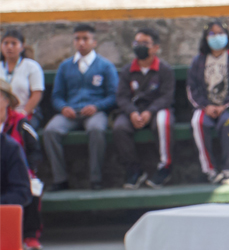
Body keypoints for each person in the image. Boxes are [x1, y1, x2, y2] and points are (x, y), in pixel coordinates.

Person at [42, 23, 118, 192]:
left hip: (95, 112)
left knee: (96, 130)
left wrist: (97, 106)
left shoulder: (105, 66)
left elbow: (113, 96)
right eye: (77, 39)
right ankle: (60, 179)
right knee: (50, 131)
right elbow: (57, 95)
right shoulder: (65, 66)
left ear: (94, 42)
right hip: (70, 112)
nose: (81, 42)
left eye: (85, 39)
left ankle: (95, 178)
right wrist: (63, 108)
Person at [188, 20, 229, 185]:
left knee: (228, 122)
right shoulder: (198, 61)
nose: (217, 37)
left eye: (220, 33)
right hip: (206, 106)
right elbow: (192, 89)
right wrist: (205, 106)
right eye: (212, 34)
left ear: (227, 35)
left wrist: (225, 105)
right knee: (198, 122)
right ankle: (210, 170)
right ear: (206, 38)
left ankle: (228, 170)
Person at [112, 28, 176, 190]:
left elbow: (167, 96)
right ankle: (134, 169)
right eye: (137, 43)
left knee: (164, 122)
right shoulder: (128, 70)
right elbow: (122, 96)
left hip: (157, 110)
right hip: (133, 111)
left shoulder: (164, 69)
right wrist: (132, 112)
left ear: (155, 47)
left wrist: (150, 111)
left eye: (145, 43)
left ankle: (165, 167)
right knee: (119, 127)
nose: (139, 46)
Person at [0, 79, 43, 250]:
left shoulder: (20, 122)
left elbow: (35, 150)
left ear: (6, 100)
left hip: (20, 169)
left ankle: (30, 235)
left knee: (31, 187)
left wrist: (31, 169)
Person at [1, 29, 44, 122]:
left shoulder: (32, 66)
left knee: (20, 128)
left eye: (14, 43)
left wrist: (22, 114)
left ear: (22, 47)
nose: (9, 47)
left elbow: (37, 94)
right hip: (2, 114)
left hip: (25, 113)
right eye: (6, 43)